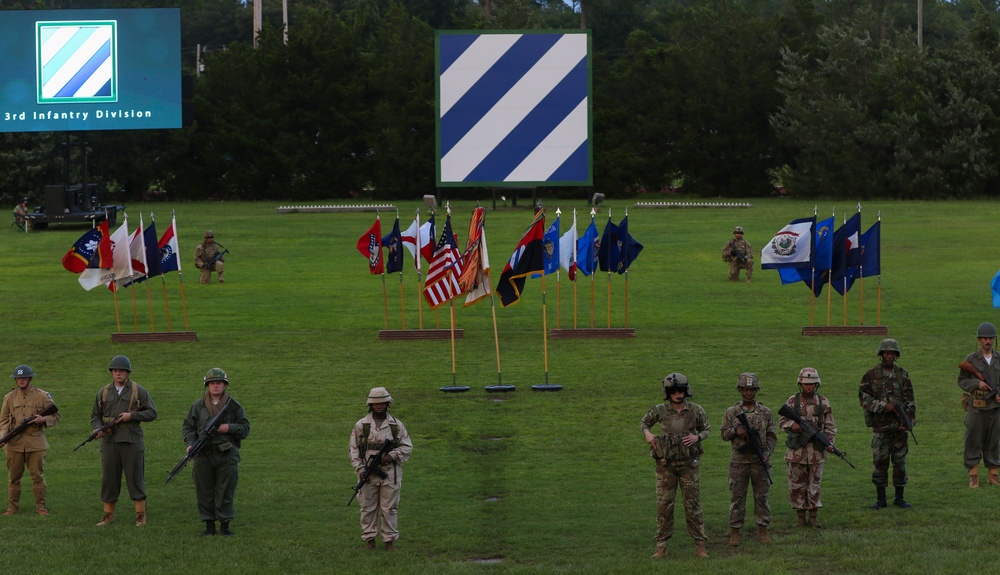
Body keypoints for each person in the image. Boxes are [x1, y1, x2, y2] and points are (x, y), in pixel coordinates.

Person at [640, 373, 711, 560]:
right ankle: (661, 546)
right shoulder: (660, 410)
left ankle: (700, 544)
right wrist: (648, 434)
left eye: (681, 391)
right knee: (664, 505)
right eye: (674, 391)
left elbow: (707, 429)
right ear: (668, 393)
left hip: (689, 465)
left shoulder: (695, 410)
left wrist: (697, 437)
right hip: (666, 466)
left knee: (693, 504)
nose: (678, 395)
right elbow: (644, 423)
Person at [89, 355, 158, 527]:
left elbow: (152, 413)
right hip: (109, 441)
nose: (118, 373)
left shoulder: (138, 390)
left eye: (121, 371)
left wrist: (132, 416)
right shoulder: (103, 392)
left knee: (135, 477)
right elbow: (95, 416)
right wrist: (97, 429)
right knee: (109, 478)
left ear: (127, 372)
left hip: (131, 440)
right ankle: (108, 515)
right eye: (115, 370)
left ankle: (140, 514)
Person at [182, 368, 250, 537]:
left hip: (226, 455)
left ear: (224, 385)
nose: (215, 386)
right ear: (207, 385)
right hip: (203, 454)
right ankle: (209, 527)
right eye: (212, 383)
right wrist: (190, 445)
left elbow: (245, 429)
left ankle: (225, 526)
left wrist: (229, 427)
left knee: (225, 491)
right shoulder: (198, 406)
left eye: (219, 383)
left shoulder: (233, 406)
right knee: (204, 491)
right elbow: (188, 427)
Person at [349, 387, 413, 551]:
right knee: (367, 508)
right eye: (375, 404)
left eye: (382, 403)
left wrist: (390, 456)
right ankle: (369, 541)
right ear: (370, 405)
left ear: (387, 404)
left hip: (390, 474)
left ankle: (389, 542)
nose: (379, 406)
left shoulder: (395, 425)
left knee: (389, 509)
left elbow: (407, 447)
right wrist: (360, 469)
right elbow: (354, 450)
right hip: (368, 474)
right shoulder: (362, 425)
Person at [720, 372, 776, 546]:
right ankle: (735, 532)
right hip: (739, 461)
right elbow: (723, 434)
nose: (749, 393)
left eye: (752, 390)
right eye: (745, 389)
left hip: (760, 461)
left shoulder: (765, 412)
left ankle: (762, 530)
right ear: (740, 390)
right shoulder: (732, 412)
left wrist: (767, 453)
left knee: (761, 497)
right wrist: (736, 432)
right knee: (737, 498)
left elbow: (772, 435)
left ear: (756, 390)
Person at [859, 339, 916, 508]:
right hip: (881, 428)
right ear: (881, 354)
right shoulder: (870, 375)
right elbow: (864, 398)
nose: (890, 356)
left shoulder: (903, 375)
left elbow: (910, 401)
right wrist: (884, 406)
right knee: (880, 463)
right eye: (887, 353)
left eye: (893, 353)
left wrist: (909, 422)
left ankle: (899, 497)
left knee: (900, 463)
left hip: (899, 428)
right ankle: (881, 499)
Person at [779, 367, 837, 528]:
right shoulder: (792, 401)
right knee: (796, 485)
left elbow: (830, 426)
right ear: (800, 384)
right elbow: (782, 422)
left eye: (812, 384)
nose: (808, 387)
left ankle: (813, 517)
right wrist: (792, 424)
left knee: (814, 485)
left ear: (816, 385)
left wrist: (829, 443)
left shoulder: (823, 402)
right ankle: (800, 517)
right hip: (796, 451)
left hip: (816, 451)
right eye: (805, 384)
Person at [0, 365, 59, 515]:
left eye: (24, 378)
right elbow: (4, 420)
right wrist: (3, 436)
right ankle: (12, 507)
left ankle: (41, 507)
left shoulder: (42, 396)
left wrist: (43, 419)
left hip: (36, 442)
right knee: (13, 477)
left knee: (37, 476)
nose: (21, 381)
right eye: (18, 378)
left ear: (30, 379)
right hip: (14, 443)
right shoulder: (9, 398)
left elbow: (56, 416)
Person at [958, 322, 1000, 488]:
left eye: (990, 338)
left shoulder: (999, 358)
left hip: (995, 408)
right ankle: (973, 476)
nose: (987, 341)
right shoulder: (971, 359)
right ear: (979, 340)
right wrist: (977, 383)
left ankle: (993, 475)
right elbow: (962, 381)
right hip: (976, 407)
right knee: (973, 440)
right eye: (984, 338)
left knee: (994, 441)